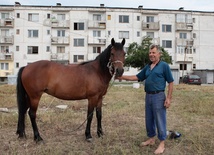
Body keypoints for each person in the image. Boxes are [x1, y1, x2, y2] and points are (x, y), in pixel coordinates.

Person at [116, 44, 174, 154]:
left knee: (160, 119)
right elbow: (137, 77)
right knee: (149, 118)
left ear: (159, 54)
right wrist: (122, 77)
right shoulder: (148, 67)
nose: (151, 55)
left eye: (153, 52)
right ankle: (151, 139)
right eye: (150, 53)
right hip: (148, 95)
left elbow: (170, 82)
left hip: (159, 96)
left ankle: (162, 143)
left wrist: (169, 98)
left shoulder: (164, 66)